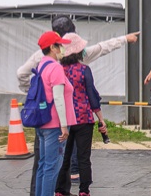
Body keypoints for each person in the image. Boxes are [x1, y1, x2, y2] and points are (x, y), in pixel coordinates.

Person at [17, 16, 138, 196]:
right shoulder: (68, 62)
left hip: (43, 118)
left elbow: (22, 74)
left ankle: (57, 191)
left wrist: (36, 95)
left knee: (45, 162)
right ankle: (70, 190)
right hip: (61, 119)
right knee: (57, 163)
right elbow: (102, 49)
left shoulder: (40, 59)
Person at [55, 33, 105, 196]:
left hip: (64, 120)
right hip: (84, 118)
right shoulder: (84, 70)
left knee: (64, 156)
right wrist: (101, 119)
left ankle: (60, 190)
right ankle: (84, 190)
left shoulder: (58, 70)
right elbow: (92, 95)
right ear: (78, 51)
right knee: (84, 157)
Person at [32, 30, 74, 196]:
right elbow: (58, 98)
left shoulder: (41, 65)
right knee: (52, 167)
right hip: (55, 124)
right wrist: (64, 125)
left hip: (42, 122)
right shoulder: (55, 68)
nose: (62, 48)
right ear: (52, 47)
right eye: (59, 45)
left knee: (43, 165)